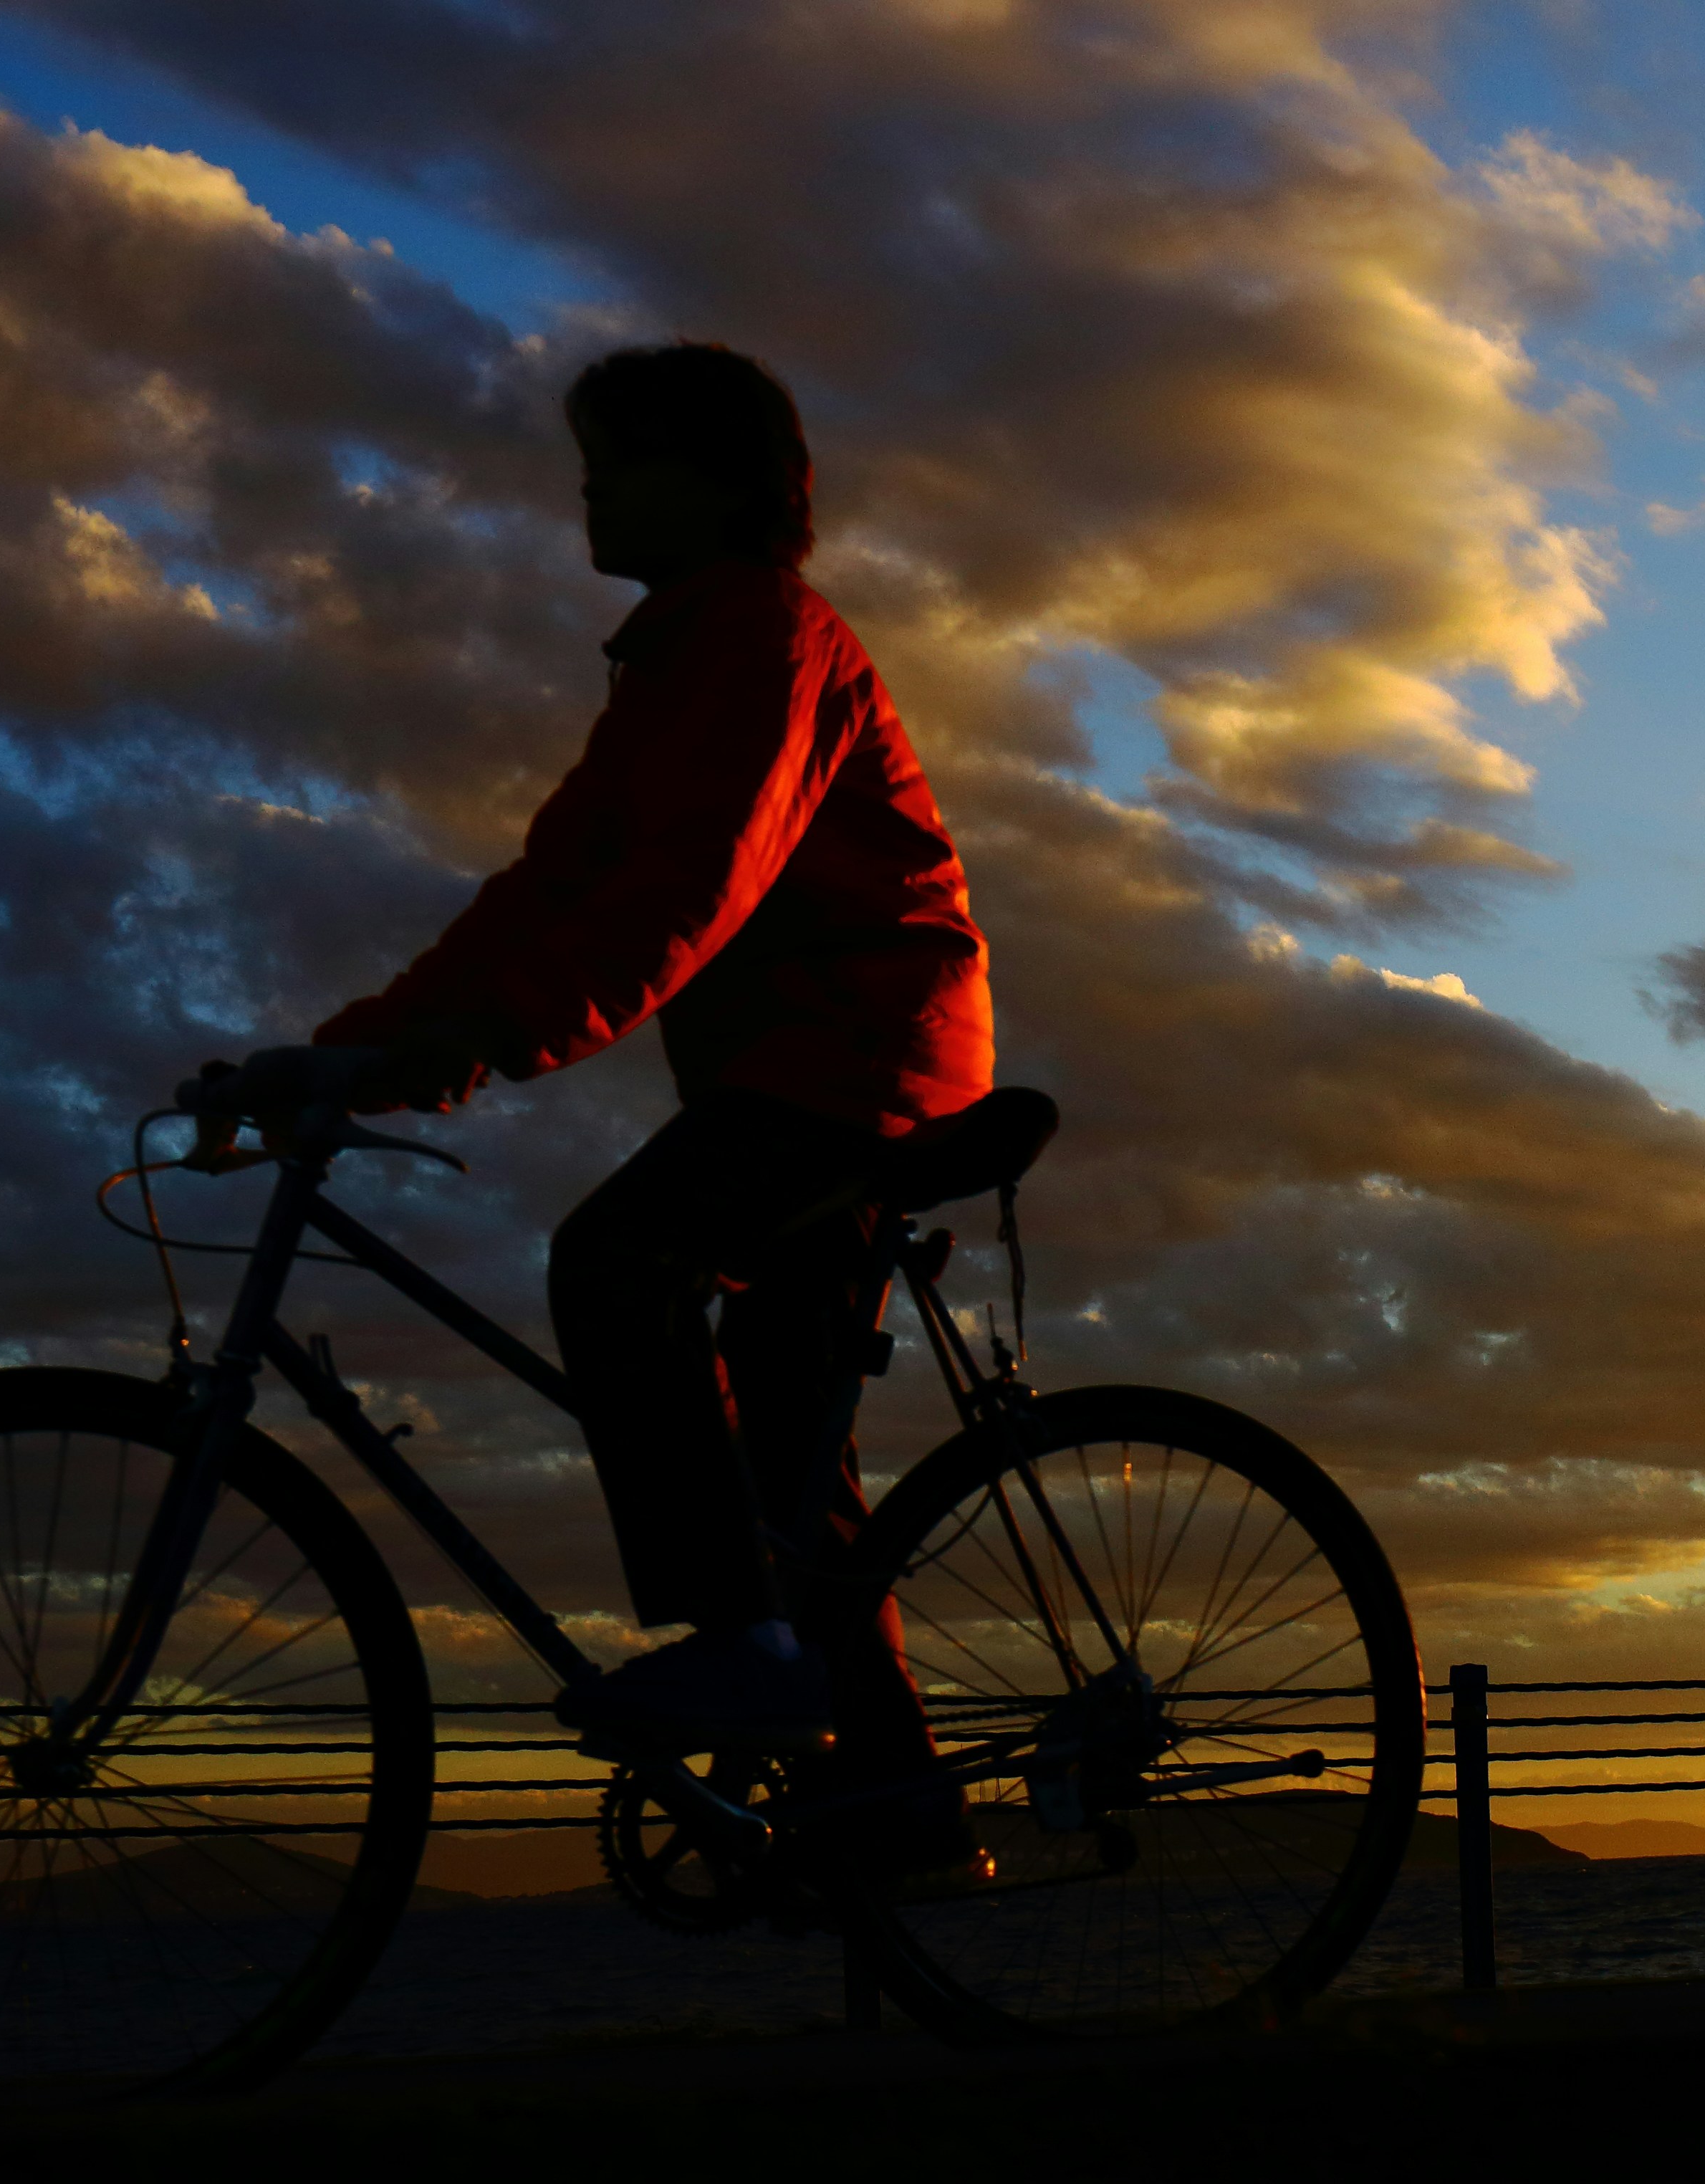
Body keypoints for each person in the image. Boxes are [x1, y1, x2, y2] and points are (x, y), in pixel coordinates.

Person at [310, 341, 994, 1757]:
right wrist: (352, 1049)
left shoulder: (765, 642)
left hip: (859, 1060)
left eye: (618, 462)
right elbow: (550, 890)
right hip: (809, 1066)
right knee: (792, 1462)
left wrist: (475, 1042)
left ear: (722, 481)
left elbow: (692, 885)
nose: (589, 492)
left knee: (620, 1262)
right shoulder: (679, 662)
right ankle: (889, 1793)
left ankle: (738, 1646)